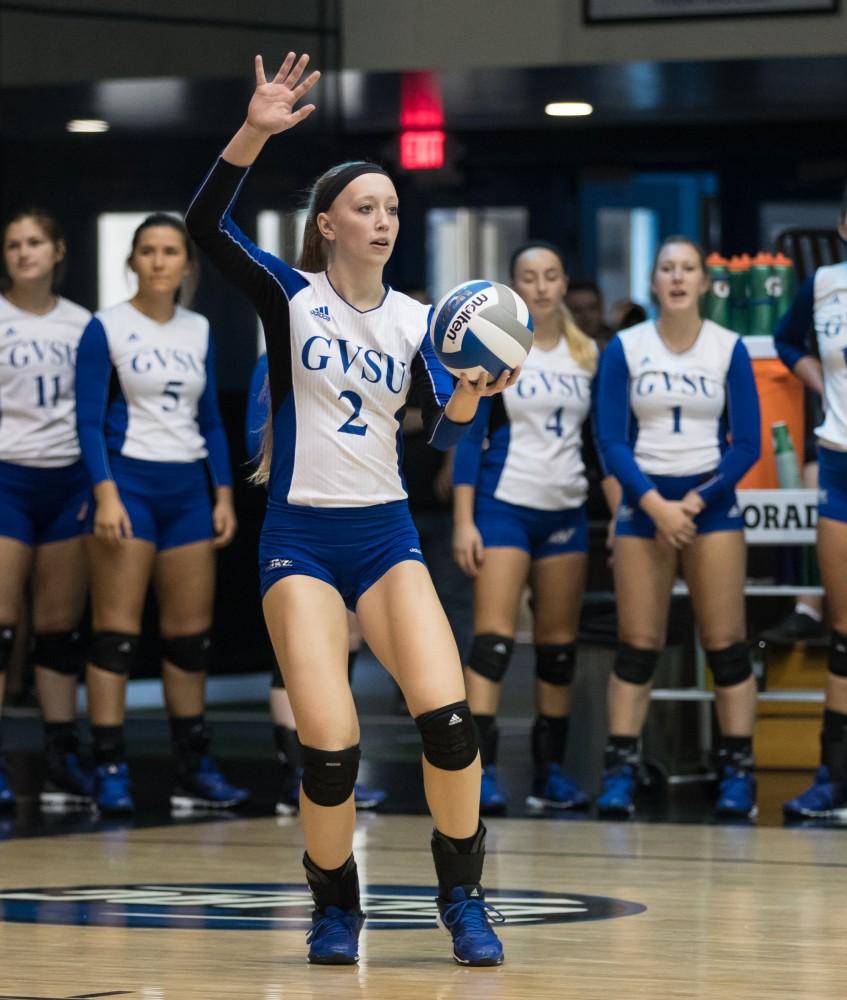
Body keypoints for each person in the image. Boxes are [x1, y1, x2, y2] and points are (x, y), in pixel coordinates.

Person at [185, 52, 516, 967]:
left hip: (385, 536)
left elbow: (444, 448)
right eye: (365, 208)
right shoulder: (290, 300)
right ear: (326, 224)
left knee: (448, 724)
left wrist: (465, 400)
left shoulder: (420, 321)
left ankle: (464, 901)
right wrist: (255, 128)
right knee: (329, 751)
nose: (382, 221)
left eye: (392, 210)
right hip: (299, 538)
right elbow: (204, 225)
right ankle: (336, 907)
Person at [75, 213, 248, 816]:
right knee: (117, 639)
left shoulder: (198, 329)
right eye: (147, 251)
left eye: (170, 251)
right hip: (129, 486)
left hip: (187, 493)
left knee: (189, 642)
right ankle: (110, 766)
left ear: (186, 265)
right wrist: (104, 493)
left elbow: (209, 422)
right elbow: (88, 420)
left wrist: (222, 494)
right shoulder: (107, 327)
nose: (158, 261)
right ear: (132, 262)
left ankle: (193, 765)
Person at [594, 235, 761, 820]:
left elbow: (747, 445)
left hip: (708, 505)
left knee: (727, 645)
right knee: (638, 646)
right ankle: (618, 770)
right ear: (653, 282)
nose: (677, 277)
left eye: (688, 267)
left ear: (705, 281)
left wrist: (693, 501)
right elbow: (610, 441)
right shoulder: (625, 347)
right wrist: (655, 504)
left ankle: (739, 772)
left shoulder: (728, 347)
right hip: (646, 505)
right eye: (667, 268)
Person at [452, 241, 596, 816]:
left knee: (558, 651)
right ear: (515, 287)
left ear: (564, 284)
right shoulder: (501, 348)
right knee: (492, 644)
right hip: (503, 506)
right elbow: (468, 438)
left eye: (551, 275)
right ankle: (478, 772)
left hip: (565, 510)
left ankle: (550, 773)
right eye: (528, 277)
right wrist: (464, 520)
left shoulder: (590, 355)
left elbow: (600, 443)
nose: (540, 286)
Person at [246, 353, 386, 814]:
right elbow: (255, 436)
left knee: (346, 637)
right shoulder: (276, 355)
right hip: (300, 516)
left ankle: (332, 765)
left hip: (357, 515)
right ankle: (297, 770)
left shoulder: (361, 352)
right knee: (299, 645)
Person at [0, 208, 92, 810]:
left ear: (58, 251)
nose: (23, 252)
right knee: (4, 626)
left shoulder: (84, 324)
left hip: (68, 480)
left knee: (58, 630)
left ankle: (62, 755)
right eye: (12, 245)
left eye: (35, 242)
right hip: (8, 479)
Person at [775, 189, 847, 820]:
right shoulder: (823, 283)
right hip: (841, 459)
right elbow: (785, 339)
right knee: (843, 632)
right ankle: (834, 780)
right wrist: (820, 381)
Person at [565, 279, 613, 351]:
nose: (585, 316)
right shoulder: (555, 345)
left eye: (592, 308)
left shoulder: (617, 344)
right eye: (577, 310)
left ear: (601, 310)